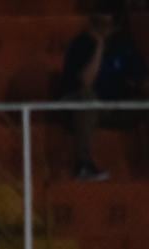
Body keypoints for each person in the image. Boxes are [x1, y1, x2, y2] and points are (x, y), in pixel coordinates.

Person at [59, 1, 148, 181]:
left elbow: (142, 81)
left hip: (114, 107)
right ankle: (83, 166)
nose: (104, 29)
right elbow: (86, 82)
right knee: (87, 98)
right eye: (98, 24)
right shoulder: (81, 44)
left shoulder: (125, 47)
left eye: (107, 25)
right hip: (80, 106)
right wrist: (99, 46)